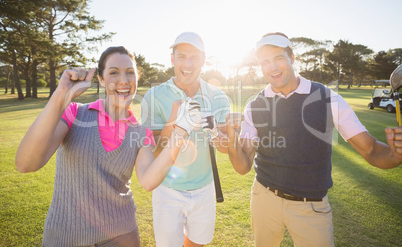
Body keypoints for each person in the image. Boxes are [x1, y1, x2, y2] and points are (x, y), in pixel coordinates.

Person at [15, 46, 204, 247]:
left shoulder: (141, 133)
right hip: (65, 236)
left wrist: (180, 131)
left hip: (122, 236)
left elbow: (148, 181)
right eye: (114, 72)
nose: (124, 80)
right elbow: (26, 163)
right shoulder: (75, 114)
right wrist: (61, 94)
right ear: (101, 79)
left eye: (130, 73)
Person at [226, 32, 402, 247]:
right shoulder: (255, 105)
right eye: (265, 62)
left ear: (292, 58)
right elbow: (243, 166)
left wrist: (394, 155)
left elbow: (371, 150)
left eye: (278, 58)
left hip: (311, 206)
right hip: (264, 198)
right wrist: (232, 140)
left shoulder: (328, 98)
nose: (272, 67)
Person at [141, 32, 230, 247]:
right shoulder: (153, 96)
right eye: (181, 56)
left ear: (203, 60)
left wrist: (214, 131)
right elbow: (153, 152)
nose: (187, 64)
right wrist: (173, 123)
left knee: (197, 244)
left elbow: (226, 148)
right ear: (172, 59)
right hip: (168, 190)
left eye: (194, 57)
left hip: (205, 189)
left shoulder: (218, 96)